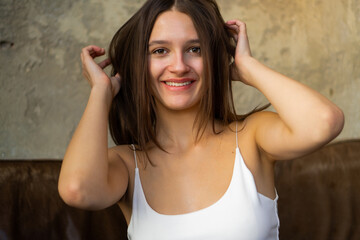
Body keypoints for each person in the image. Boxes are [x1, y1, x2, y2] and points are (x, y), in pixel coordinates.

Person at [58, 0, 344, 239]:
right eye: (160, 51)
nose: (179, 66)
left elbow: (324, 122)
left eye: (194, 49)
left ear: (213, 57)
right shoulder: (125, 165)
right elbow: (77, 189)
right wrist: (101, 93)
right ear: (138, 66)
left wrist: (247, 67)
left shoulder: (251, 137)